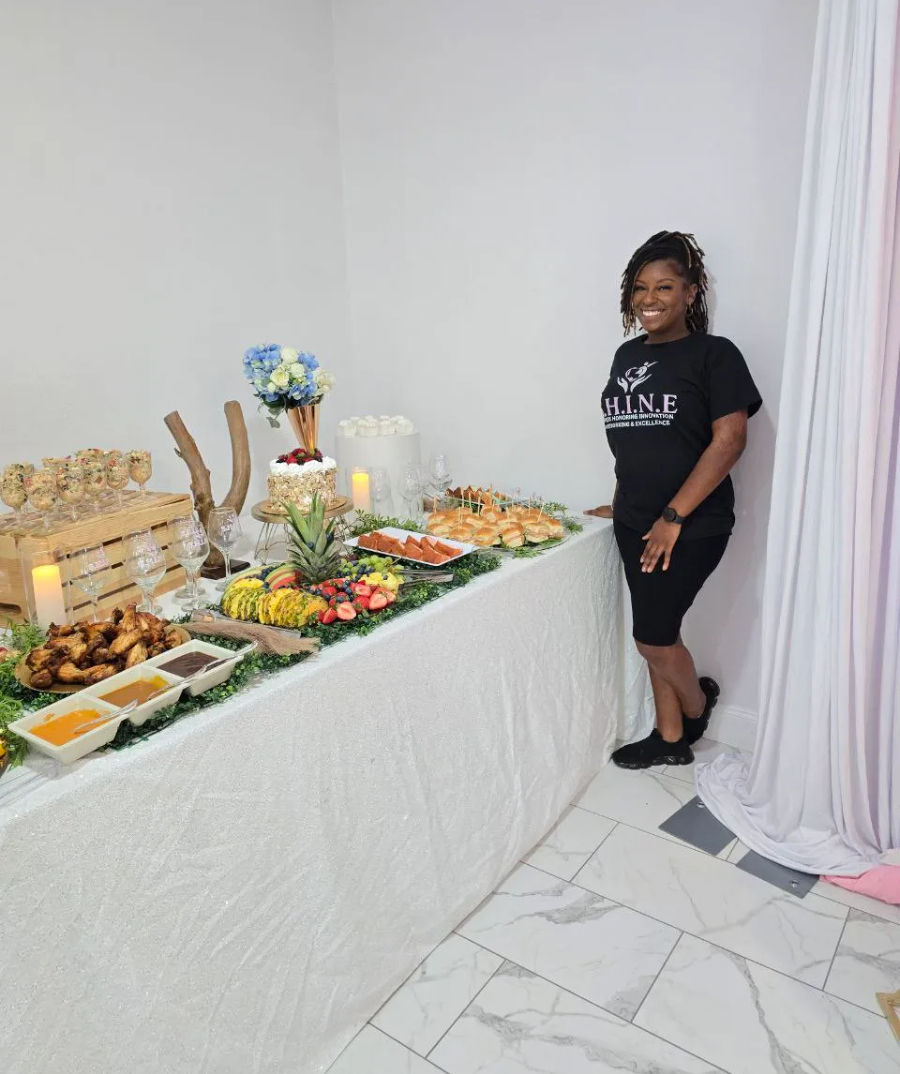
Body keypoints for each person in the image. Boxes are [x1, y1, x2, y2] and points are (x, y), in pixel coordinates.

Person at [588, 231, 761, 769]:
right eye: (640, 288)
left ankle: (696, 704)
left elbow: (729, 441)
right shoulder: (626, 354)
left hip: (691, 524)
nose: (650, 299)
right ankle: (669, 738)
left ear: (691, 292)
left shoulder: (715, 355)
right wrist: (622, 502)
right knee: (655, 629)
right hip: (635, 519)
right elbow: (630, 440)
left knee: (654, 639)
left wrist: (671, 516)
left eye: (665, 286)